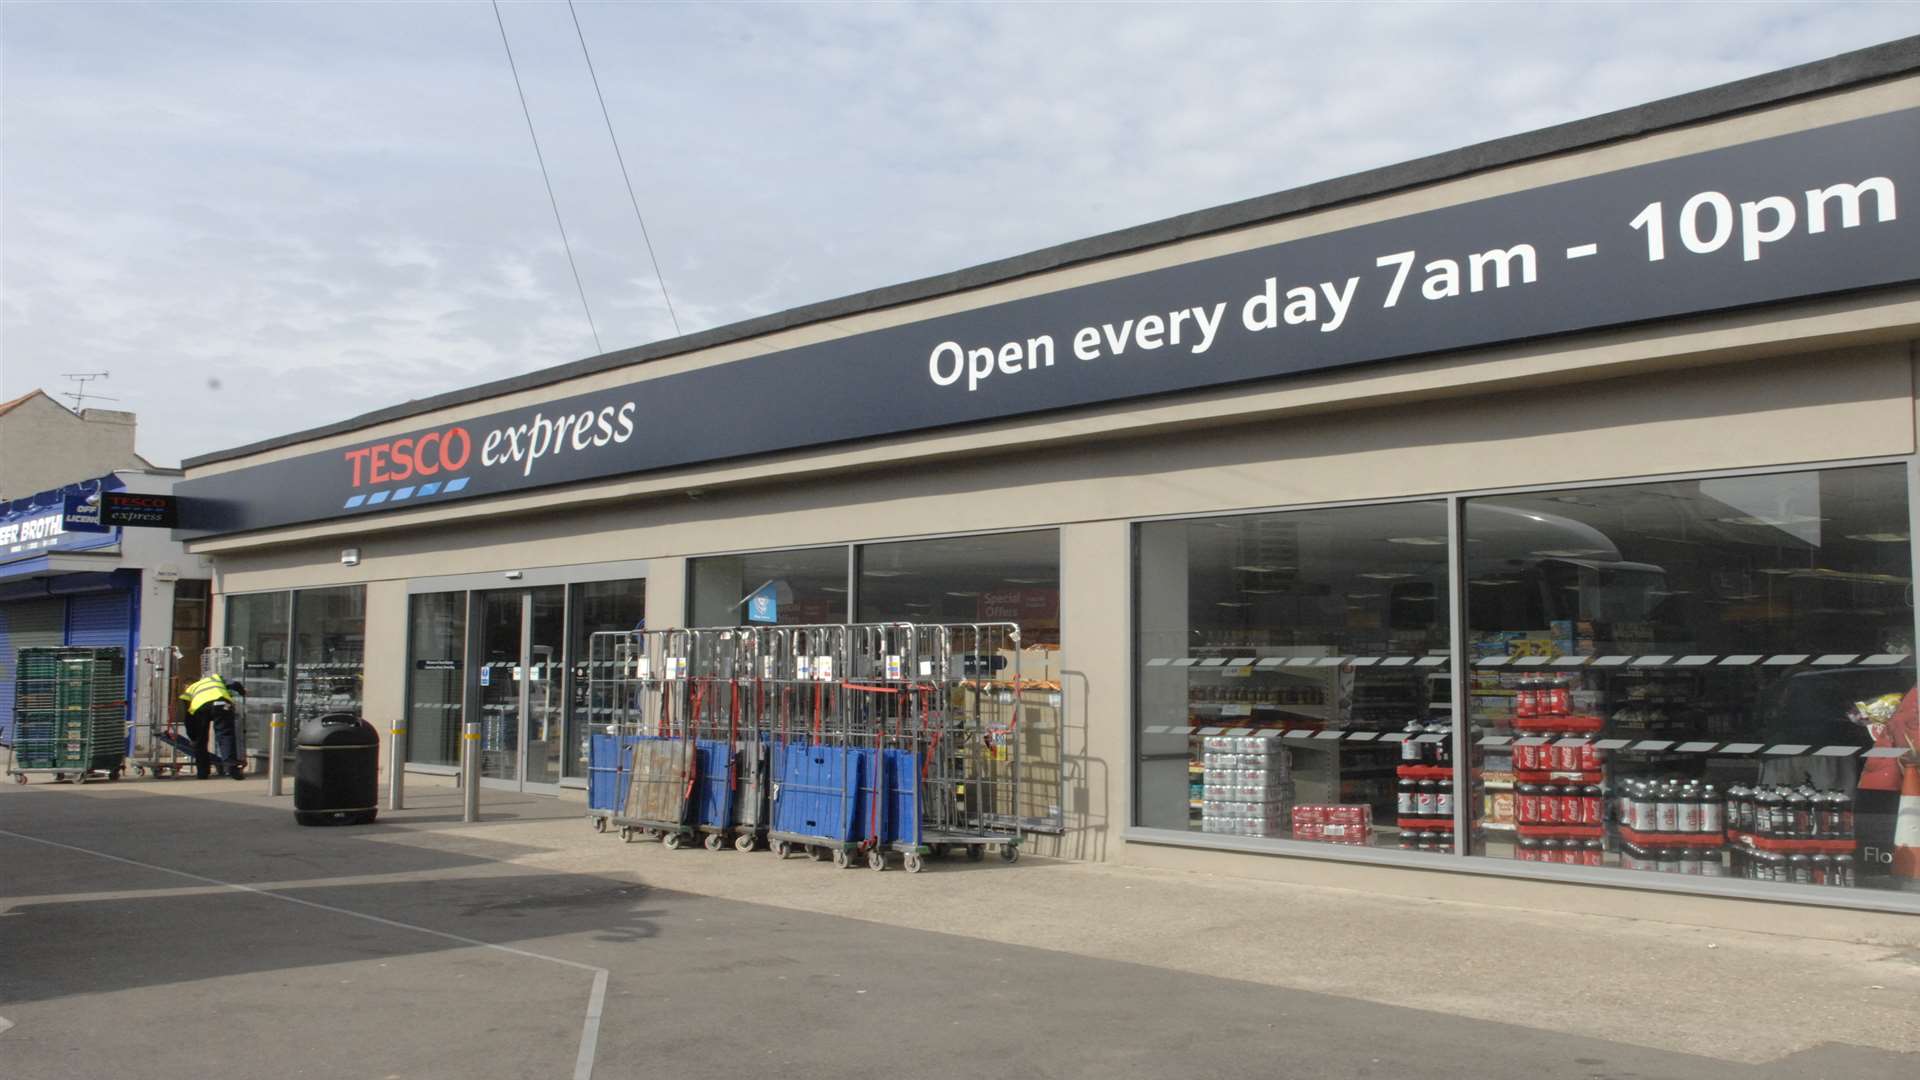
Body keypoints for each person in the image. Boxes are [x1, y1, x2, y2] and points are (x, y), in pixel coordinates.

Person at [179, 673, 246, 779]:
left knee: (200, 740)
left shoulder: (188, 692)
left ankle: (202, 772)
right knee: (225, 735)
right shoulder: (215, 678)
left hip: (200, 709)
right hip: (222, 704)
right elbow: (235, 684)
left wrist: (193, 737)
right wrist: (243, 692)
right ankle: (232, 769)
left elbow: (188, 719)